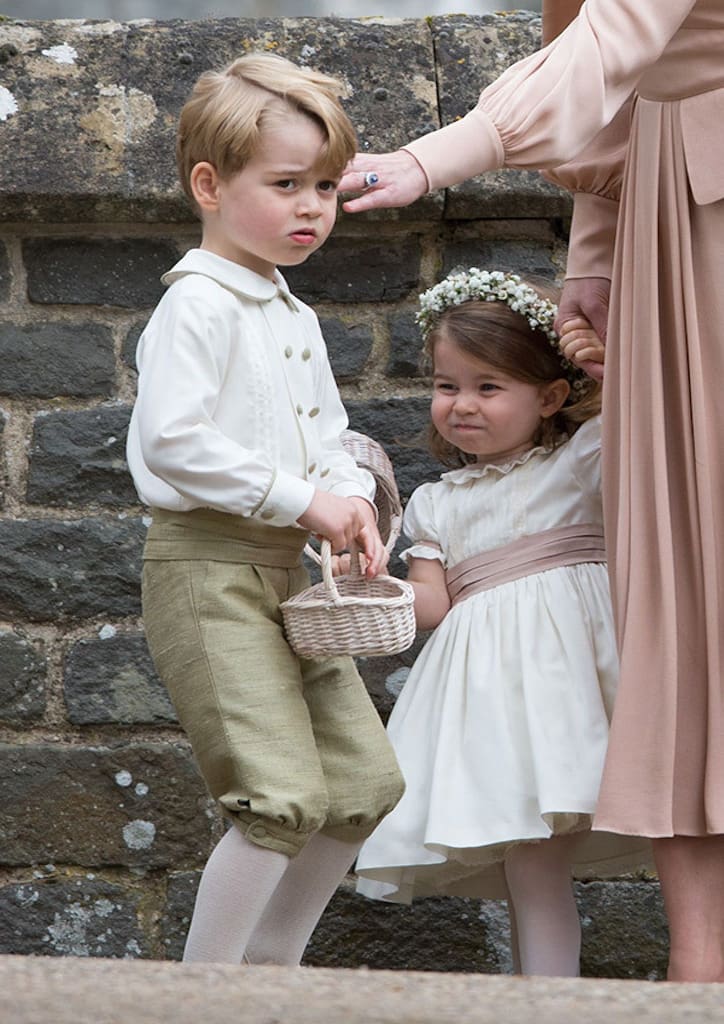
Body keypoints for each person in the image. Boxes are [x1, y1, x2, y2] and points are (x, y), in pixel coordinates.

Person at [339, 0, 724, 983]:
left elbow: (612, 41)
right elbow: (624, 80)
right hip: (666, 212)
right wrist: (594, 252)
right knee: (676, 580)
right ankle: (700, 962)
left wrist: (436, 156)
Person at [125, 52, 404, 966]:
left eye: (324, 185)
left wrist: (351, 495)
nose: (312, 207)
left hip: (292, 574)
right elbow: (171, 442)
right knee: (279, 797)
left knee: (361, 785)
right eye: (285, 184)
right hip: (209, 574)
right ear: (209, 184)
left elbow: (330, 431)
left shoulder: (295, 317)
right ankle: (206, 995)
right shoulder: (197, 306)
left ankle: (270, 979)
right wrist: (302, 499)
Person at [353, 268, 650, 978]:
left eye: (489, 387)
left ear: (550, 396)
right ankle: (546, 998)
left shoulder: (580, 464)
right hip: (494, 699)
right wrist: (373, 584)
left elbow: (643, 418)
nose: (462, 405)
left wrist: (598, 355)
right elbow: (434, 606)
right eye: (448, 386)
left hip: (579, 682)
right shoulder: (437, 503)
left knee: (640, 829)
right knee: (529, 855)